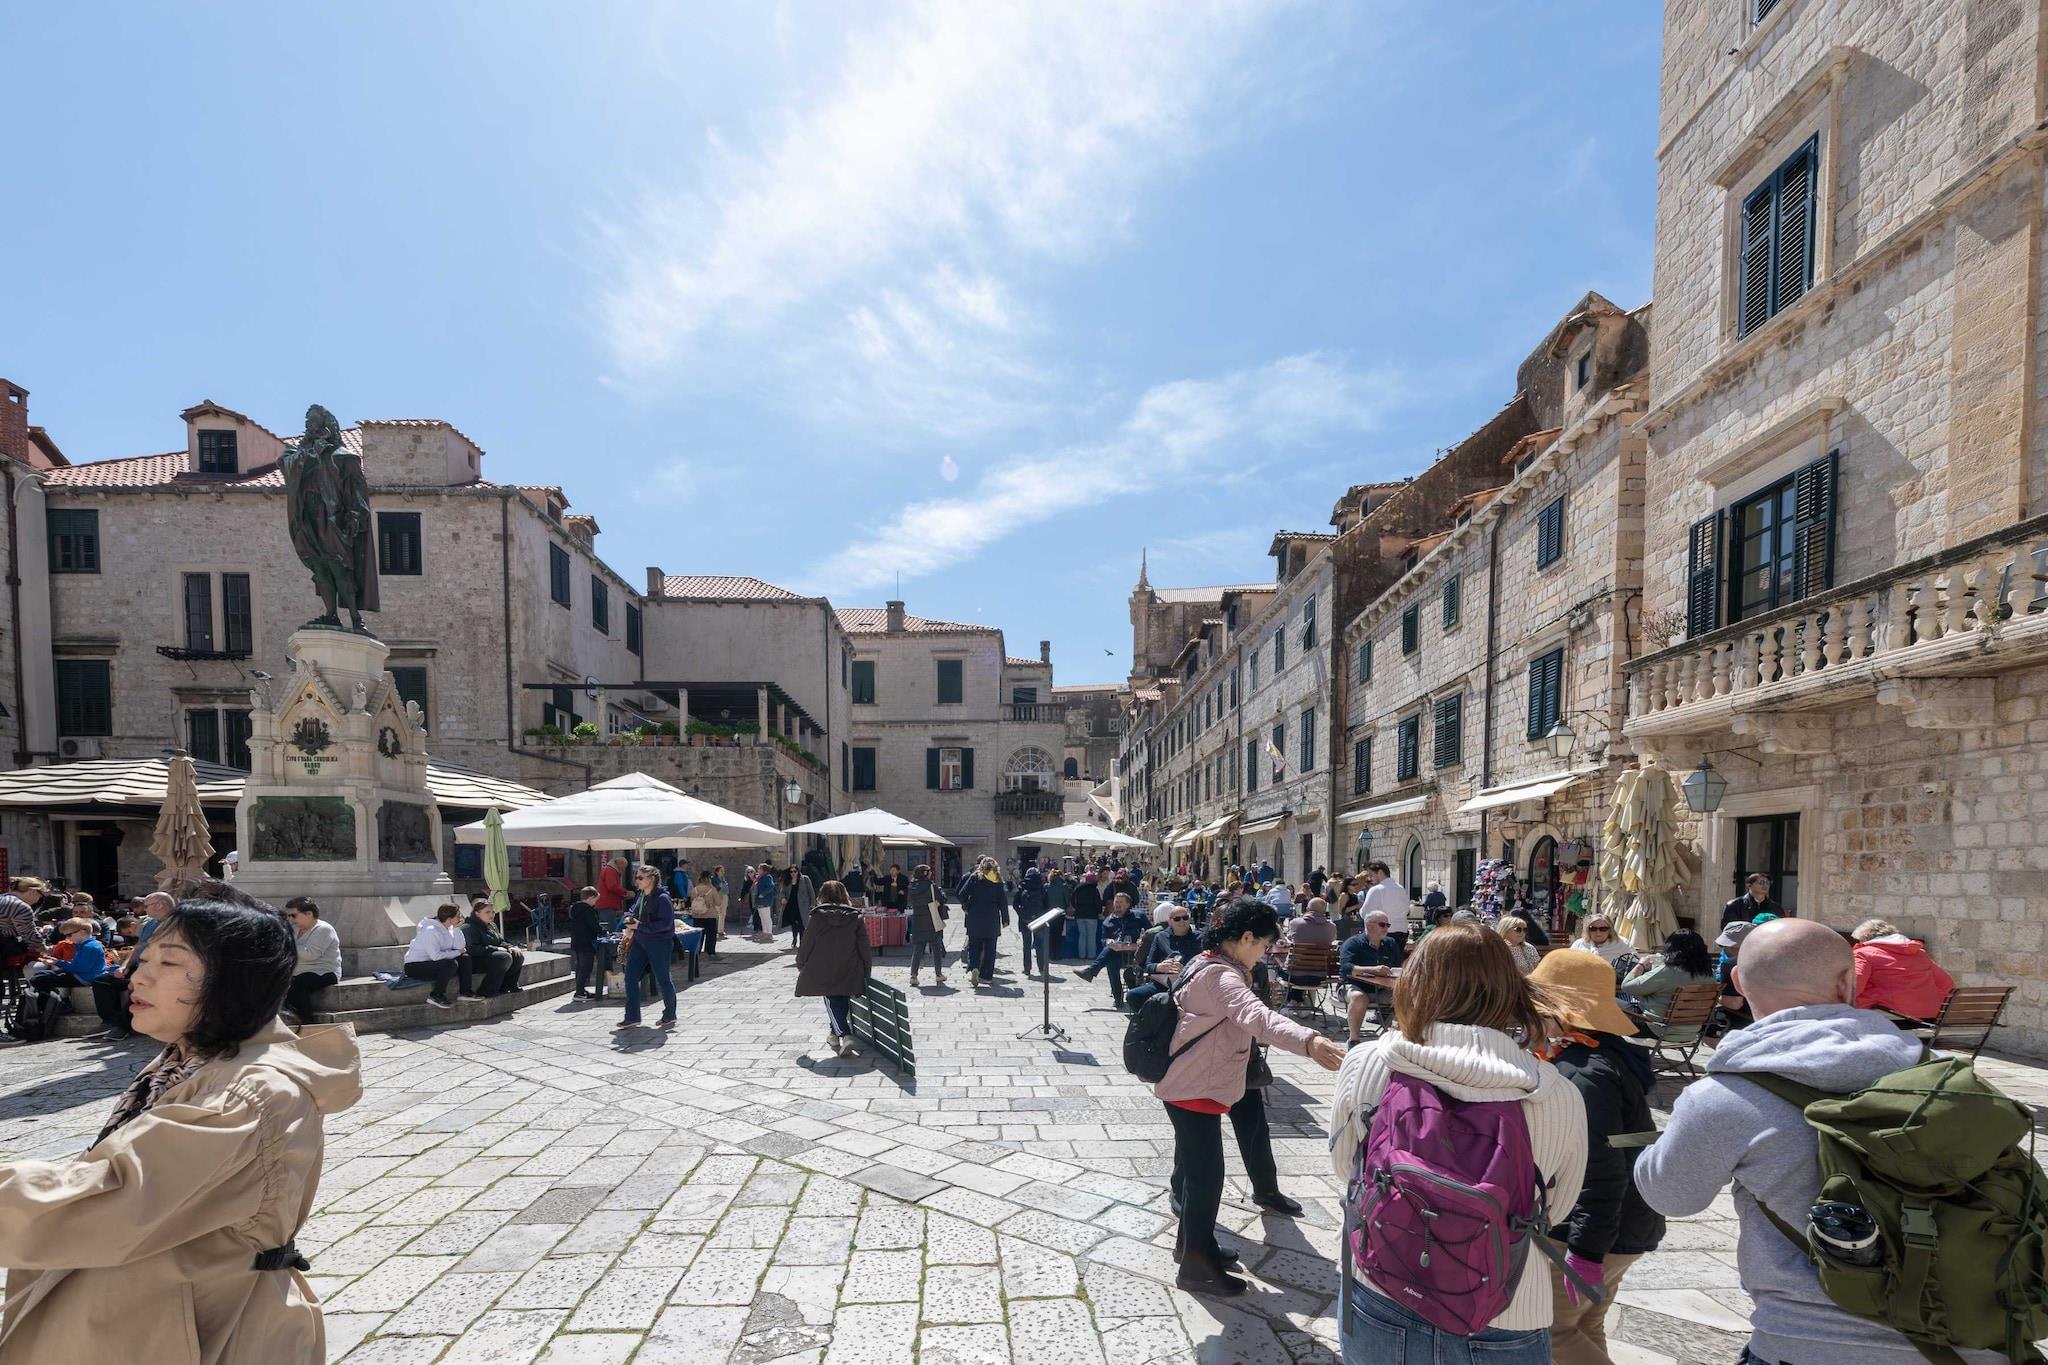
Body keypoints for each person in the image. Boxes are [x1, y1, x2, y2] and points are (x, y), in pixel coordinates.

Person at [0, 884, 361, 1364]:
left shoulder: (244, 1095)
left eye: (169, 962)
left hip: (206, 1332)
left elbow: (111, 1196)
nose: (139, 975)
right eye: (144, 958)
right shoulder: (194, 1058)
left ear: (235, 982)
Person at [1636, 917, 1957, 1365]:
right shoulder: (1944, 1074)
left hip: (1808, 1340)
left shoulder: (1724, 1097)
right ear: (1848, 982)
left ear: (1738, 982)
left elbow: (1671, 1196)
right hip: (1969, 1337)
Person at [1330, 922, 1586, 1363]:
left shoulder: (1368, 1062)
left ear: (1415, 982)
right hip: (1506, 1308)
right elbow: (1556, 1207)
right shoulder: (1558, 1093)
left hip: (1382, 1282)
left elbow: (1344, 1165)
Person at [1157, 897, 1345, 1296]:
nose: (1264, 953)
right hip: (1194, 1086)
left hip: (1191, 1081)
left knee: (1197, 1176)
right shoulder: (1222, 976)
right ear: (1245, 938)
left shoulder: (1204, 961)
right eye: (1263, 944)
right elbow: (1258, 1017)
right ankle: (1196, 1269)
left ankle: (1194, 1247)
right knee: (1206, 1179)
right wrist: (1309, 1040)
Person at [1529, 949, 1665, 1365]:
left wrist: (1585, 1250)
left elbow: (1600, 1169)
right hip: (1628, 1222)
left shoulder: (1584, 1073)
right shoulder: (1608, 1054)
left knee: (1551, 1333)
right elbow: (1626, 1143)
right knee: (1585, 1325)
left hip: (1594, 1230)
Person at [795, 880, 872, 1059]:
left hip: (823, 967)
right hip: (850, 966)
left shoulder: (817, 917)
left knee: (831, 1000)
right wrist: (866, 968)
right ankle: (833, 1035)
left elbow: (807, 942)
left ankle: (845, 1035)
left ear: (823, 895)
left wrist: (801, 962)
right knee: (841, 999)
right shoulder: (855, 917)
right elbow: (864, 947)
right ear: (844, 895)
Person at [86, 890, 172, 1040]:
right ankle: (110, 1022)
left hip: (158, 968)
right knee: (101, 981)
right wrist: (124, 965)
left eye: (147, 906)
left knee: (140, 985)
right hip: (140, 966)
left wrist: (142, 972)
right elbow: (138, 947)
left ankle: (122, 1026)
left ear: (159, 905)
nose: (145, 909)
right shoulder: (150, 923)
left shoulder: (176, 923)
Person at [1849, 919, 1955, 1021]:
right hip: (1929, 1017)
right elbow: (1947, 984)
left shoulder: (1863, 954)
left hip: (1889, 1016)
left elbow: (1854, 986)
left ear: (1864, 938)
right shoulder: (1919, 953)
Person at [1621, 929, 1716, 1041]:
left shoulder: (1668, 971)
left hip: (1657, 1029)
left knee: (1608, 1004)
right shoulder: (1710, 974)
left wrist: (1641, 964)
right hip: (1690, 1032)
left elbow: (1626, 986)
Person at [617, 865, 678, 1029]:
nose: (636, 881)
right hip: (640, 941)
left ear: (651, 878)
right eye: (636, 877)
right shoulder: (642, 895)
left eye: (640, 878)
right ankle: (632, 1017)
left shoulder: (663, 899)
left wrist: (639, 926)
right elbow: (632, 911)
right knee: (630, 977)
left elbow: (666, 924)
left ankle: (670, 1014)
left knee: (663, 978)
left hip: (659, 943)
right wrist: (629, 920)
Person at [1338, 909, 1406, 1045]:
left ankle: (1394, 1037)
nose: (1386, 928)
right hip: (1353, 986)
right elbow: (1346, 968)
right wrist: (1373, 970)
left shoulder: (1390, 943)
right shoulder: (1353, 943)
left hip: (1381, 989)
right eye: (1382, 925)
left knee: (1406, 997)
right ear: (1369, 925)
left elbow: (1398, 965)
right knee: (1359, 998)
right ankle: (1354, 1040)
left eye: (1388, 925)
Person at [1073, 892, 1147, 1008]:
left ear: (1128, 904)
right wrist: (1108, 941)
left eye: (1121, 902)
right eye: (1116, 902)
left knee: (1110, 955)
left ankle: (1091, 972)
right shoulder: (1108, 920)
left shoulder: (1138, 916)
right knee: (1111, 960)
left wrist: (1138, 943)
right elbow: (1103, 939)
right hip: (1117, 954)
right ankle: (1118, 999)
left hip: (1135, 953)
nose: (1117, 905)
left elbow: (1151, 933)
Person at [1125, 900, 1202, 1012]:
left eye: (1185, 918)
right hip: (1163, 984)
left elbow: (1205, 965)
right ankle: (1149, 1021)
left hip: (1188, 985)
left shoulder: (1200, 938)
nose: (1182, 921)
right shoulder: (1161, 937)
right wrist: (1159, 967)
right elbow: (1148, 965)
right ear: (1170, 921)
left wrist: (1185, 969)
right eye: (1177, 919)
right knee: (1133, 996)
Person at [281, 898, 342, 1025]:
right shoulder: (295, 929)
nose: (290, 919)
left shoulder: (324, 929)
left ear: (309, 914)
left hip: (324, 972)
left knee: (297, 984)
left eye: (294, 915)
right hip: (298, 972)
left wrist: (286, 945)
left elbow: (311, 954)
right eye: (289, 916)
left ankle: (305, 1022)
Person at [956, 856, 1010, 988]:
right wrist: (1005, 919)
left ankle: (974, 967)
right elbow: (1003, 902)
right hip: (992, 918)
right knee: (990, 949)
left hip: (975, 917)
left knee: (974, 946)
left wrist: (967, 905)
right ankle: (987, 976)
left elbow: (961, 894)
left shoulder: (975, 878)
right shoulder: (998, 880)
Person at [402, 905, 469, 1006]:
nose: (461, 918)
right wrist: (457, 952)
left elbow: (460, 947)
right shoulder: (430, 930)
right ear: (449, 919)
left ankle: (465, 992)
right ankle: (436, 995)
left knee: (465, 959)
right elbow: (435, 956)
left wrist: (456, 929)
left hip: (434, 963)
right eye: (458, 916)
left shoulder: (449, 928)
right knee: (450, 964)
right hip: (415, 966)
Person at [459, 900, 523, 998]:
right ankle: (486, 990)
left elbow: (500, 941)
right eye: (487, 912)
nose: (491, 915)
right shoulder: (468, 927)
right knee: (503, 957)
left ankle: (508, 985)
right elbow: (472, 949)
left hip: (491, 956)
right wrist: (495, 949)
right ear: (477, 913)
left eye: (493, 912)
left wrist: (510, 947)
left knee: (517, 955)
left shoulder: (492, 925)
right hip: (476, 960)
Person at [30, 918, 107, 997]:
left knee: (39, 979)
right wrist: (56, 961)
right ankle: (50, 999)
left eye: (69, 935)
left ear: (82, 932)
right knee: (41, 974)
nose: (67, 938)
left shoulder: (90, 947)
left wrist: (58, 962)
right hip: (80, 974)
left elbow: (80, 968)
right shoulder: (82, 945)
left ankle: (56, 1000)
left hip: (85, 978)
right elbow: (77, 965)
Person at [906, 864, 949, 987]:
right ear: (925, 873)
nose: (931, 873)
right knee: (936, 947)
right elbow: (942, 899)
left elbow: (909, 901)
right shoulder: (931, 885)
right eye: (929, 871)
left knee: (918, 948)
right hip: (931, 919)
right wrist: (942, 892)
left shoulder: (912, 886)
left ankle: (913, 975)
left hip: (917, 919)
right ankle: (938, 974)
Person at [569, 885, 605, 999]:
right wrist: (604, 931)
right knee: (586, 967)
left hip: (576, 942)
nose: (595, 903)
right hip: (586, 942)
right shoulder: (588, 910)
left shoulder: (575, 909)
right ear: (590, 898)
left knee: (580, 967)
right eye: (595, 900)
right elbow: (594, 926)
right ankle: (579, 993)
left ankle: (581, 990)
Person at [1013, 865, 1050, 977]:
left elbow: (1015, 904)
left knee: (1026, 945)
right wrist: (1042, 915)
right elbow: (1047, 904)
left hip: (1025, 920)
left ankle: (1027, 968)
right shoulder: (1042, 887)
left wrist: (1021, 914)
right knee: (1039, 944)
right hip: (1039, 920)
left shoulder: (1022, 886)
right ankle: (1041, 967)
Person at [1358, 861, 1408, 929]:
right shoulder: (1401, 888)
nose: (1369, 878)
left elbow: (1365, 914)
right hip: (1402, 930)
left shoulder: (1376, 889)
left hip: (1382, 931)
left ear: (1380, 872)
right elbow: (1406, 910)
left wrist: (1360, 909)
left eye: (1371, 875)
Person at [1070, 871, 1105, 963]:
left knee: (1082, 935)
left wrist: (1076, 908)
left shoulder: (1078, 888)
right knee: (1091, 936)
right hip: (1092, 915)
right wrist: (1099, 911)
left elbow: (1072, 900)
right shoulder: (1094, 890)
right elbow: (1098, 903)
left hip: (1080, 915)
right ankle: (1091, 955)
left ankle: (1082, 955)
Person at [690, 875, 727, 959]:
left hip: (697, 916)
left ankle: (697, 953)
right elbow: (718, 903)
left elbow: (692, 901)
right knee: (711, 935)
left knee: (699, 936)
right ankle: (711, 953)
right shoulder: (712, 889)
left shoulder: (694, 890)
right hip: (710, 916)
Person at [751, 864, 780, 940]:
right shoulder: (760, 877)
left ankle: (769, 933)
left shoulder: (767, 877)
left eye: (759, 869)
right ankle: (765, 932)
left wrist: (763, 894)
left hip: (765, 900)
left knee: (766, 917)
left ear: (764, 870)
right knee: (762, 917)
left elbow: (770, 886)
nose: (758, 870)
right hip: (760, 901)